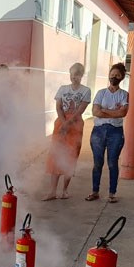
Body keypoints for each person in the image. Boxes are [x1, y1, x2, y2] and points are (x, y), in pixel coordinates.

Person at [43, 62, 91, 200]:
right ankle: (52, 191)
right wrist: (63, 124)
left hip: (75, 125)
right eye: (71, 74)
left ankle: (64, 190)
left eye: (76, 74)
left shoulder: (85, 91)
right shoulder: (63, 89)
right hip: (61, 122)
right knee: (55, 155)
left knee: (70, 155)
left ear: (81, 75)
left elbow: (80, 110)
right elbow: (58, 107)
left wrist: (67, 124)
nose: (73, 77)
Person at [86, 63, 129, 203]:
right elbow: (95, 112)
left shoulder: (124, 95)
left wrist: (104, 111)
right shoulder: (101, 93)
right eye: (112, 75)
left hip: (115, 132)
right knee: (97, 163)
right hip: (98, 131)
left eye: (117, 75)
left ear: (122, 77)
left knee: (112, 163)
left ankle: (112, 193)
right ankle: (94, 191)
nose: (114, 77)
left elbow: (123, 113)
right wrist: (113, 113)